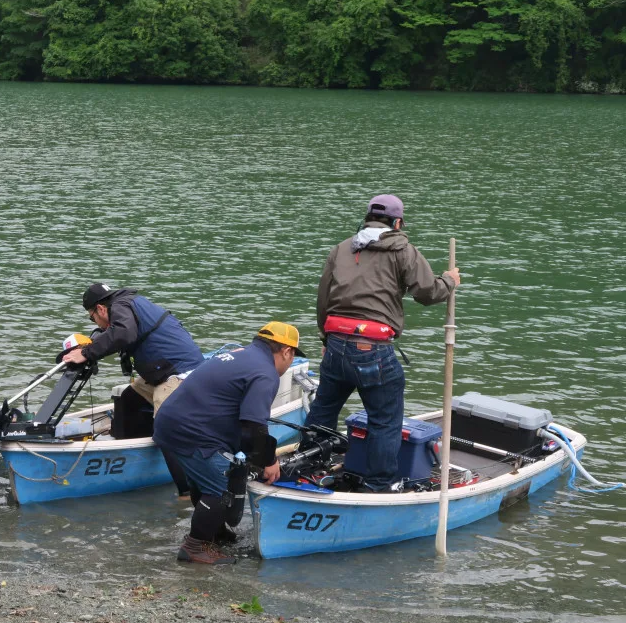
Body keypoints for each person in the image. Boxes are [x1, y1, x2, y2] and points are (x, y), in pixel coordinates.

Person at [303, 194, 461, 492]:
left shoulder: (341, 248)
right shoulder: (403, 249)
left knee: (323, 409)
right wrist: (450, 280)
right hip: (372, 349)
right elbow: (427, 293)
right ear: (398, 223)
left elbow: (323, 299)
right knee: (384, 420)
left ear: (367, 218)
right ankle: (378, 485)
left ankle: (306, 465)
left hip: (335, 342)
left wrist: (326, 339)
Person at [152, 322, 304, 564]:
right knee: (222, 487)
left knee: (205, 482)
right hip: (191, 432)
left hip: (169, 423)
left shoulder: (238, 354)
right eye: (293, 354)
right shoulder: (265, 373)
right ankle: (194, 546)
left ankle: (214, 532)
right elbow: (253, 427)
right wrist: (269, 461)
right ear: (287, 351)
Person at [61, 284, 206, 495]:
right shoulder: (126, 304)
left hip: (179, 372)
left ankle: (187, 491)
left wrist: (88, 353)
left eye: (92, 318)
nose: (96, 322)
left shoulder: (120, 306)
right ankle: (128, 450)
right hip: (161, 371)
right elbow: (113, 333)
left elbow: (123, 333)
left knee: (167, 427)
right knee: (128, 399)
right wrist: (87, 347)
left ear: (100, 309)